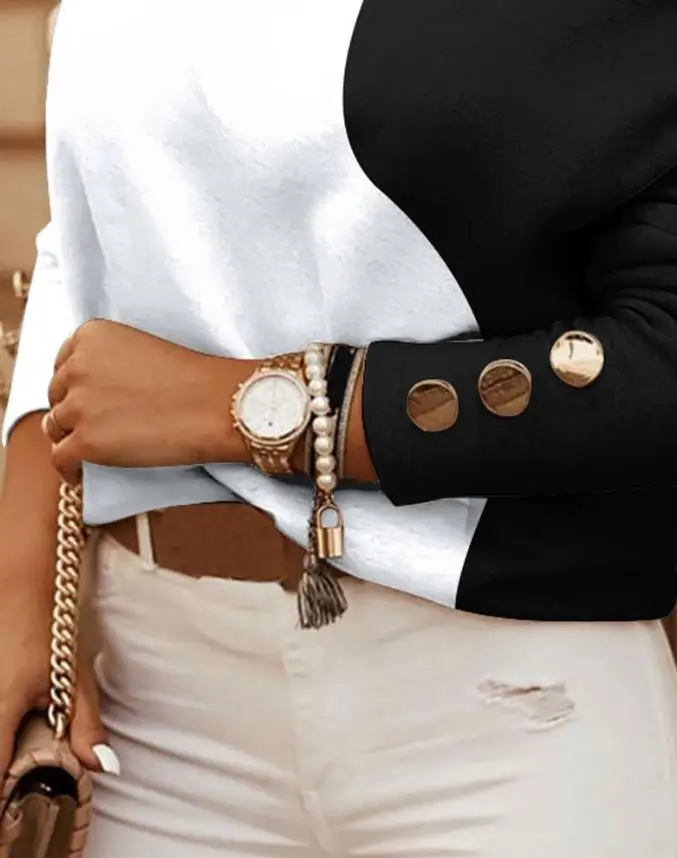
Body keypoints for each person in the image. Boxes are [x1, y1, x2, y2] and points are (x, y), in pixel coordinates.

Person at [2, 0, 677, 855]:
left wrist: (242, 407)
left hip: (507, 702)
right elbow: (91, 239)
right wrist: (18, 600)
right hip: (155, 707)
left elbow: (659, 355)